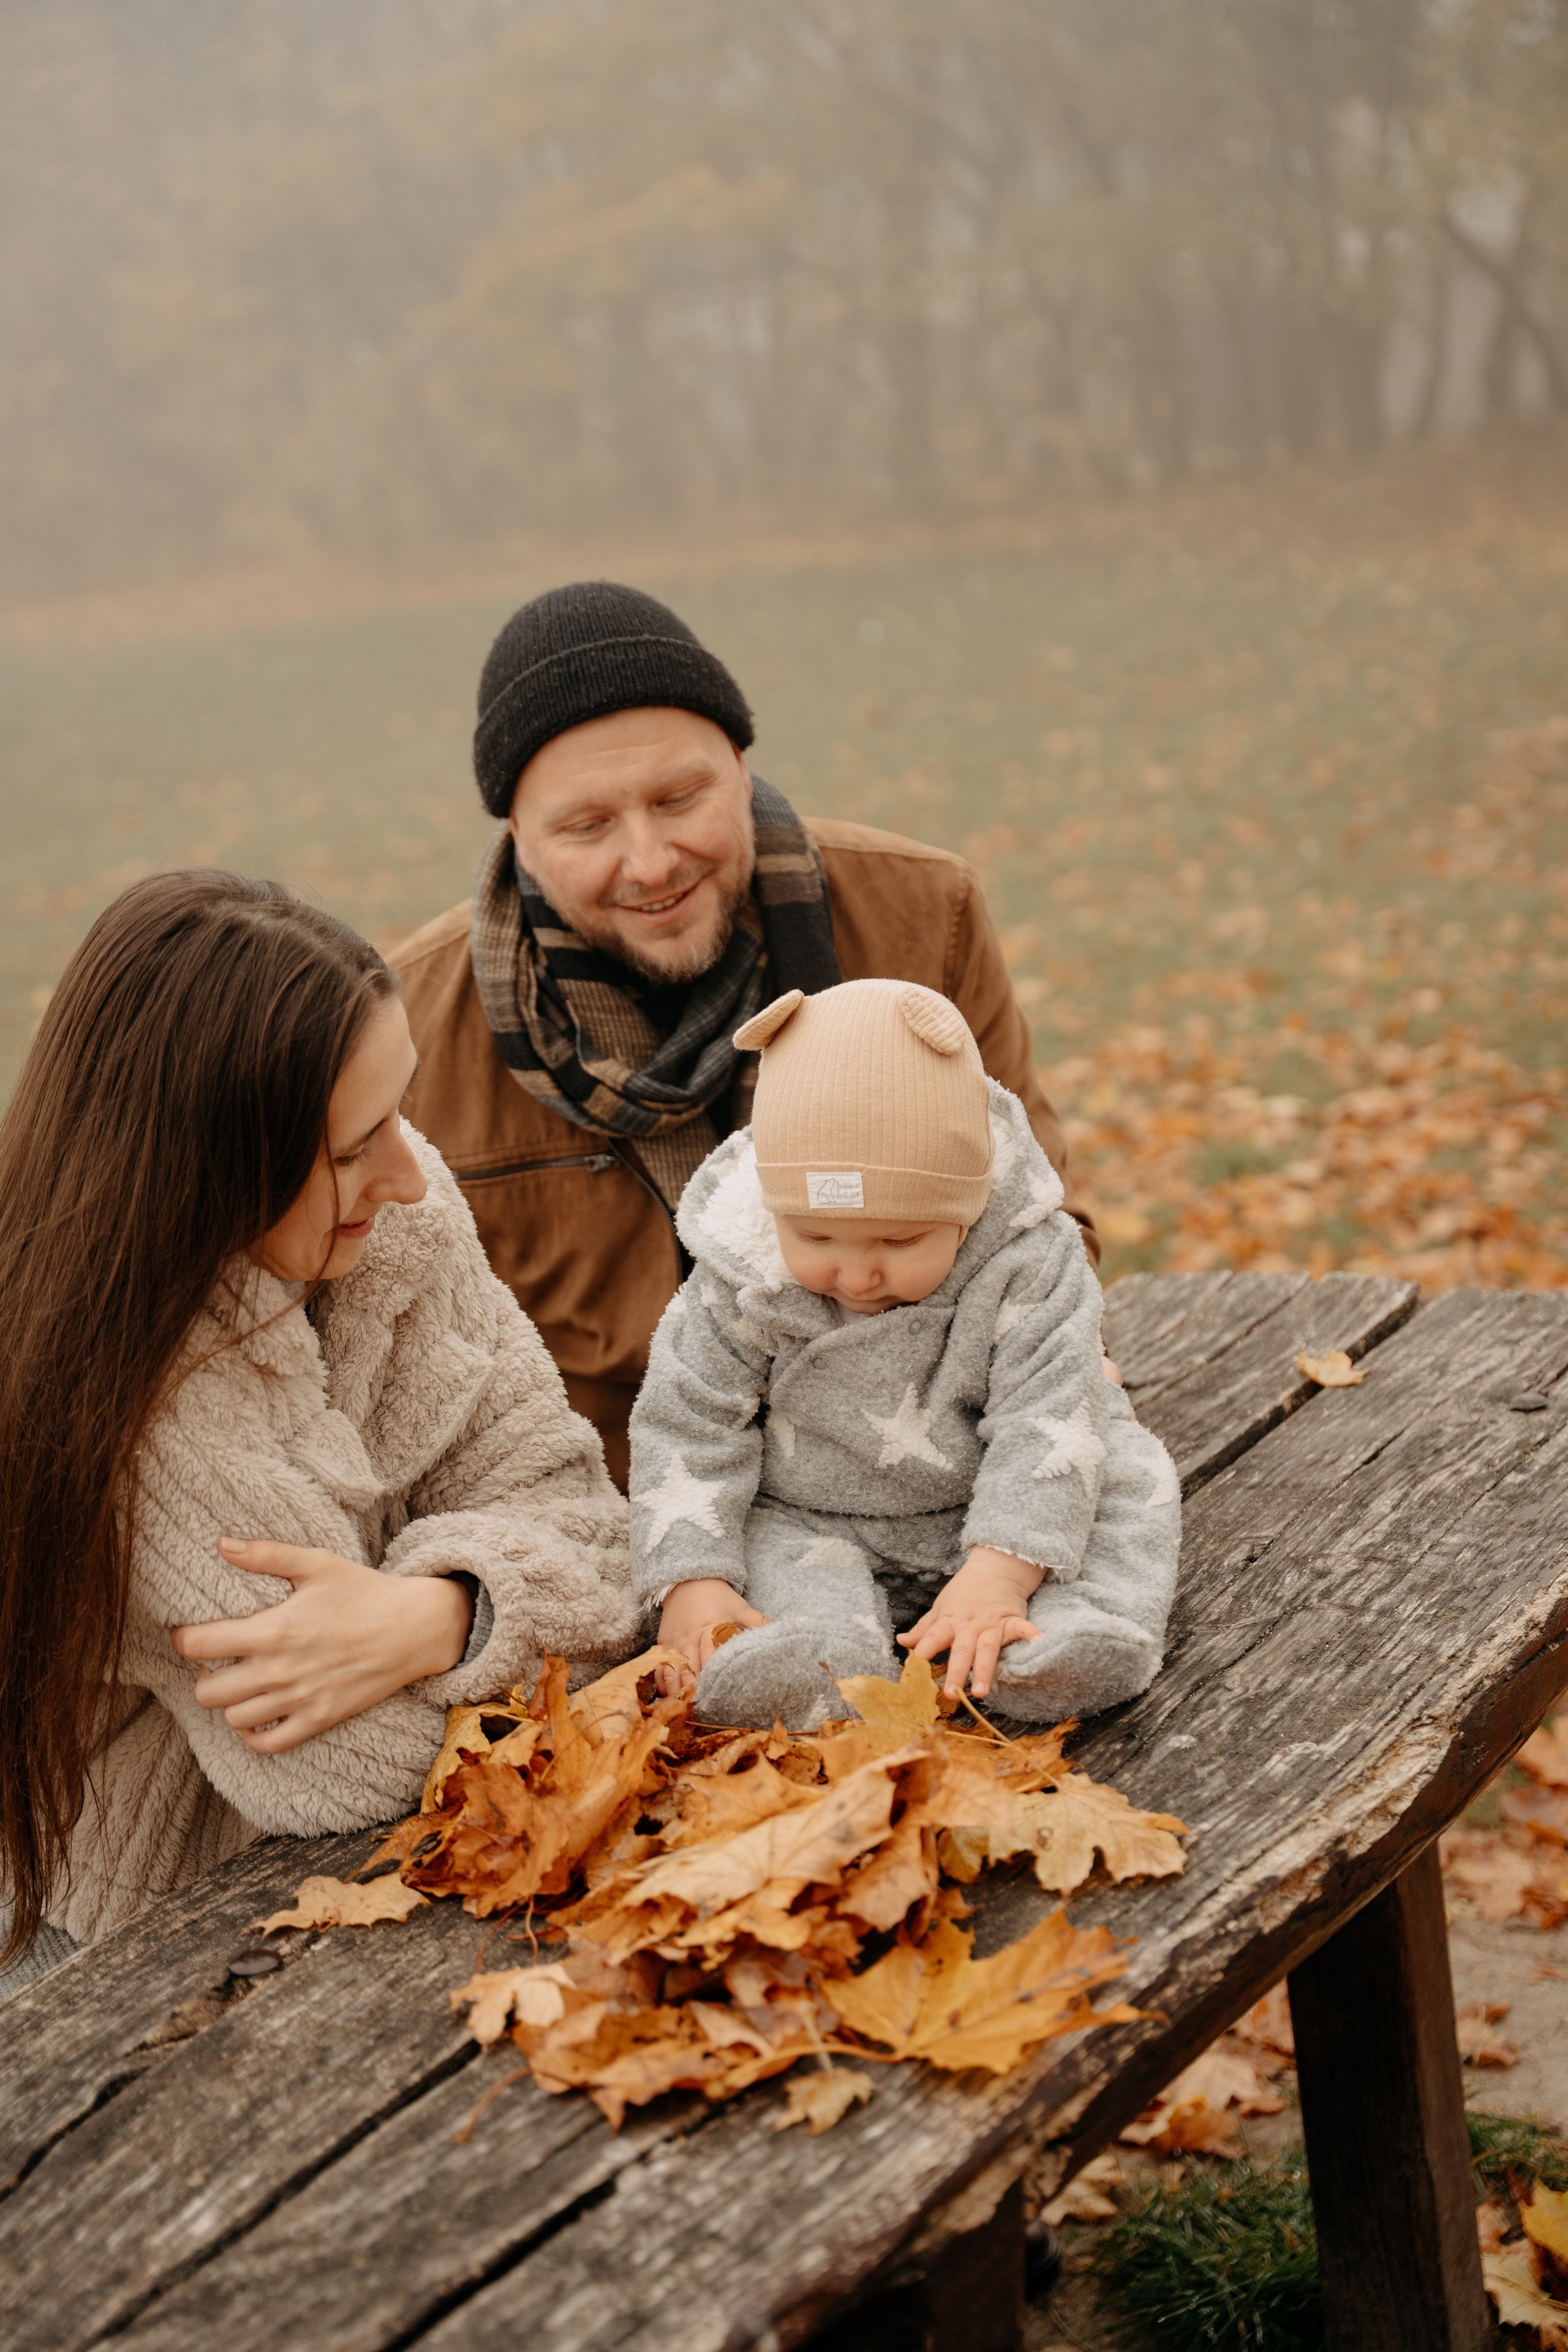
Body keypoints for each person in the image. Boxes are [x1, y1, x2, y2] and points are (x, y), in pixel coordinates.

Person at [0, 871, 635, 1994]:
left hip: (385, 1885)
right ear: (206, 1171)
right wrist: (536, 1618)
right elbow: (345, 1771)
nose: (407, 1174)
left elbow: (585, 1507)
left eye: (401, 1109)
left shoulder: (400, 1217)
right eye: (351, 1147)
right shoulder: (126, 1399)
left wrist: (442, 1616)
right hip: (119, 1950)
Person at [393, 580, 1097, 1490]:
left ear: (739, 763)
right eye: (588, 826)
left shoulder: (928, 916)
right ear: (518, 838)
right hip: (601, 1510)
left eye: (682, 798)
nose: (650, 864)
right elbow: (409, 1376)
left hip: (925, 1479)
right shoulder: (410, 1027)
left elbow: (1042, 1228)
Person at [626, 979, 1179, 1732]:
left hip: (1004, 1494)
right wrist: (690, 1575)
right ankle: (819, 1653)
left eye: (898, 1241)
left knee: (1122, 1474)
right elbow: (687, 1423)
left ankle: (1065, 1629)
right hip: (815, 1509)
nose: (855, 1276)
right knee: (759, 1541)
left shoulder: (1029, 1258)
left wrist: (1001, 1570)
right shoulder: (739, 1273)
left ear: (968, 1201)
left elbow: (1046, 1412)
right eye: (816, 1239)